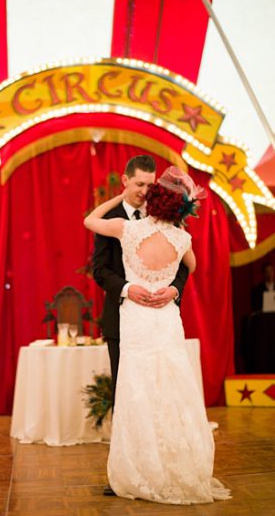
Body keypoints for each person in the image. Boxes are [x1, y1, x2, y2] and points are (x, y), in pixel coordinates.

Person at [84, 166, 230, 504]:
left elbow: (90, 220)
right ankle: (173, 465)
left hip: (139, 319)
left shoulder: (128, 229)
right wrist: (150, 284)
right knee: (172, 391)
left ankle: (139, 470)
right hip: (160, 321)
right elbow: (190, 264)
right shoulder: (182, 237)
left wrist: (173, 290)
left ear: (155, 197)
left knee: (137, 393)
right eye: (139, 184)